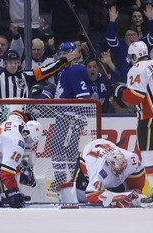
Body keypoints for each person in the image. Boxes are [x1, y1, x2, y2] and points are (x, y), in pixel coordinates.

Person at [110, 41, 153, 204]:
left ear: (134, 55)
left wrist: (120, 91)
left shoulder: (137, 68)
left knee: (148, 153)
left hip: (150, 116)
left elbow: (135, 98)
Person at [0, 48, 78, 99]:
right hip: (0, 117)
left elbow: (48, 69)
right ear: (4, 63)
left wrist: (65, 59)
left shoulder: (27, 75)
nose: (13, 65)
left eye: (16, 62)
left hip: (21, 117)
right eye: (10, 62)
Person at [49, 42, 91, 191]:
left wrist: (77, 119)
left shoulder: (76, 70)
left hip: (70, 117)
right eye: (60, 54)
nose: (62, 57)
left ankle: (70, 179)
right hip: (63, 116)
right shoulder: (63, 70)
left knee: (62, 148)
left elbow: (84, 96)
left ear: (74, 54)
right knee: (61, 148)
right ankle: (70, 179)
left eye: (65, 53)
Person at [58, 138, 145, 208]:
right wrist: (117, 198)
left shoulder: (131, 158)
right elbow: (91, 195)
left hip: (104, 146)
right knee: (78, 191)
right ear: (110, 166)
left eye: (124, 166)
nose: (122, 170)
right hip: (89, 152)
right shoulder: (100, 171)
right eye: (119, 169)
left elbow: (138, 175)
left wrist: (136, 189)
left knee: (119, 189)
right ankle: (66, 191)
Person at [106, 4, 153, 79]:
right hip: (123, 84)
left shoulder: (143, 44)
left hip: (141, 83)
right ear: (124, 38)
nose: (131, 37)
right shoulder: (119, 47)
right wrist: (112, 21)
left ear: (138, 37)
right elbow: (110, 38)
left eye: (133, 35)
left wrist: (151, 18)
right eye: (128, 35)